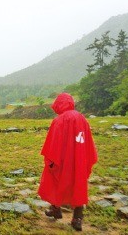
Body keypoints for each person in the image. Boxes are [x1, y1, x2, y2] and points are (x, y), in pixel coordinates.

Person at [38, 93, 98, 231]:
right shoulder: (82, 119)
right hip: (80, 159)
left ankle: (56, 209)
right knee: (79, 184)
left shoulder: (59, 120)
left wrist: (51, 162)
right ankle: (77, 218)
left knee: (55, 180)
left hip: (63, 160)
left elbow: (53, 144)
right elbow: (87, 141)